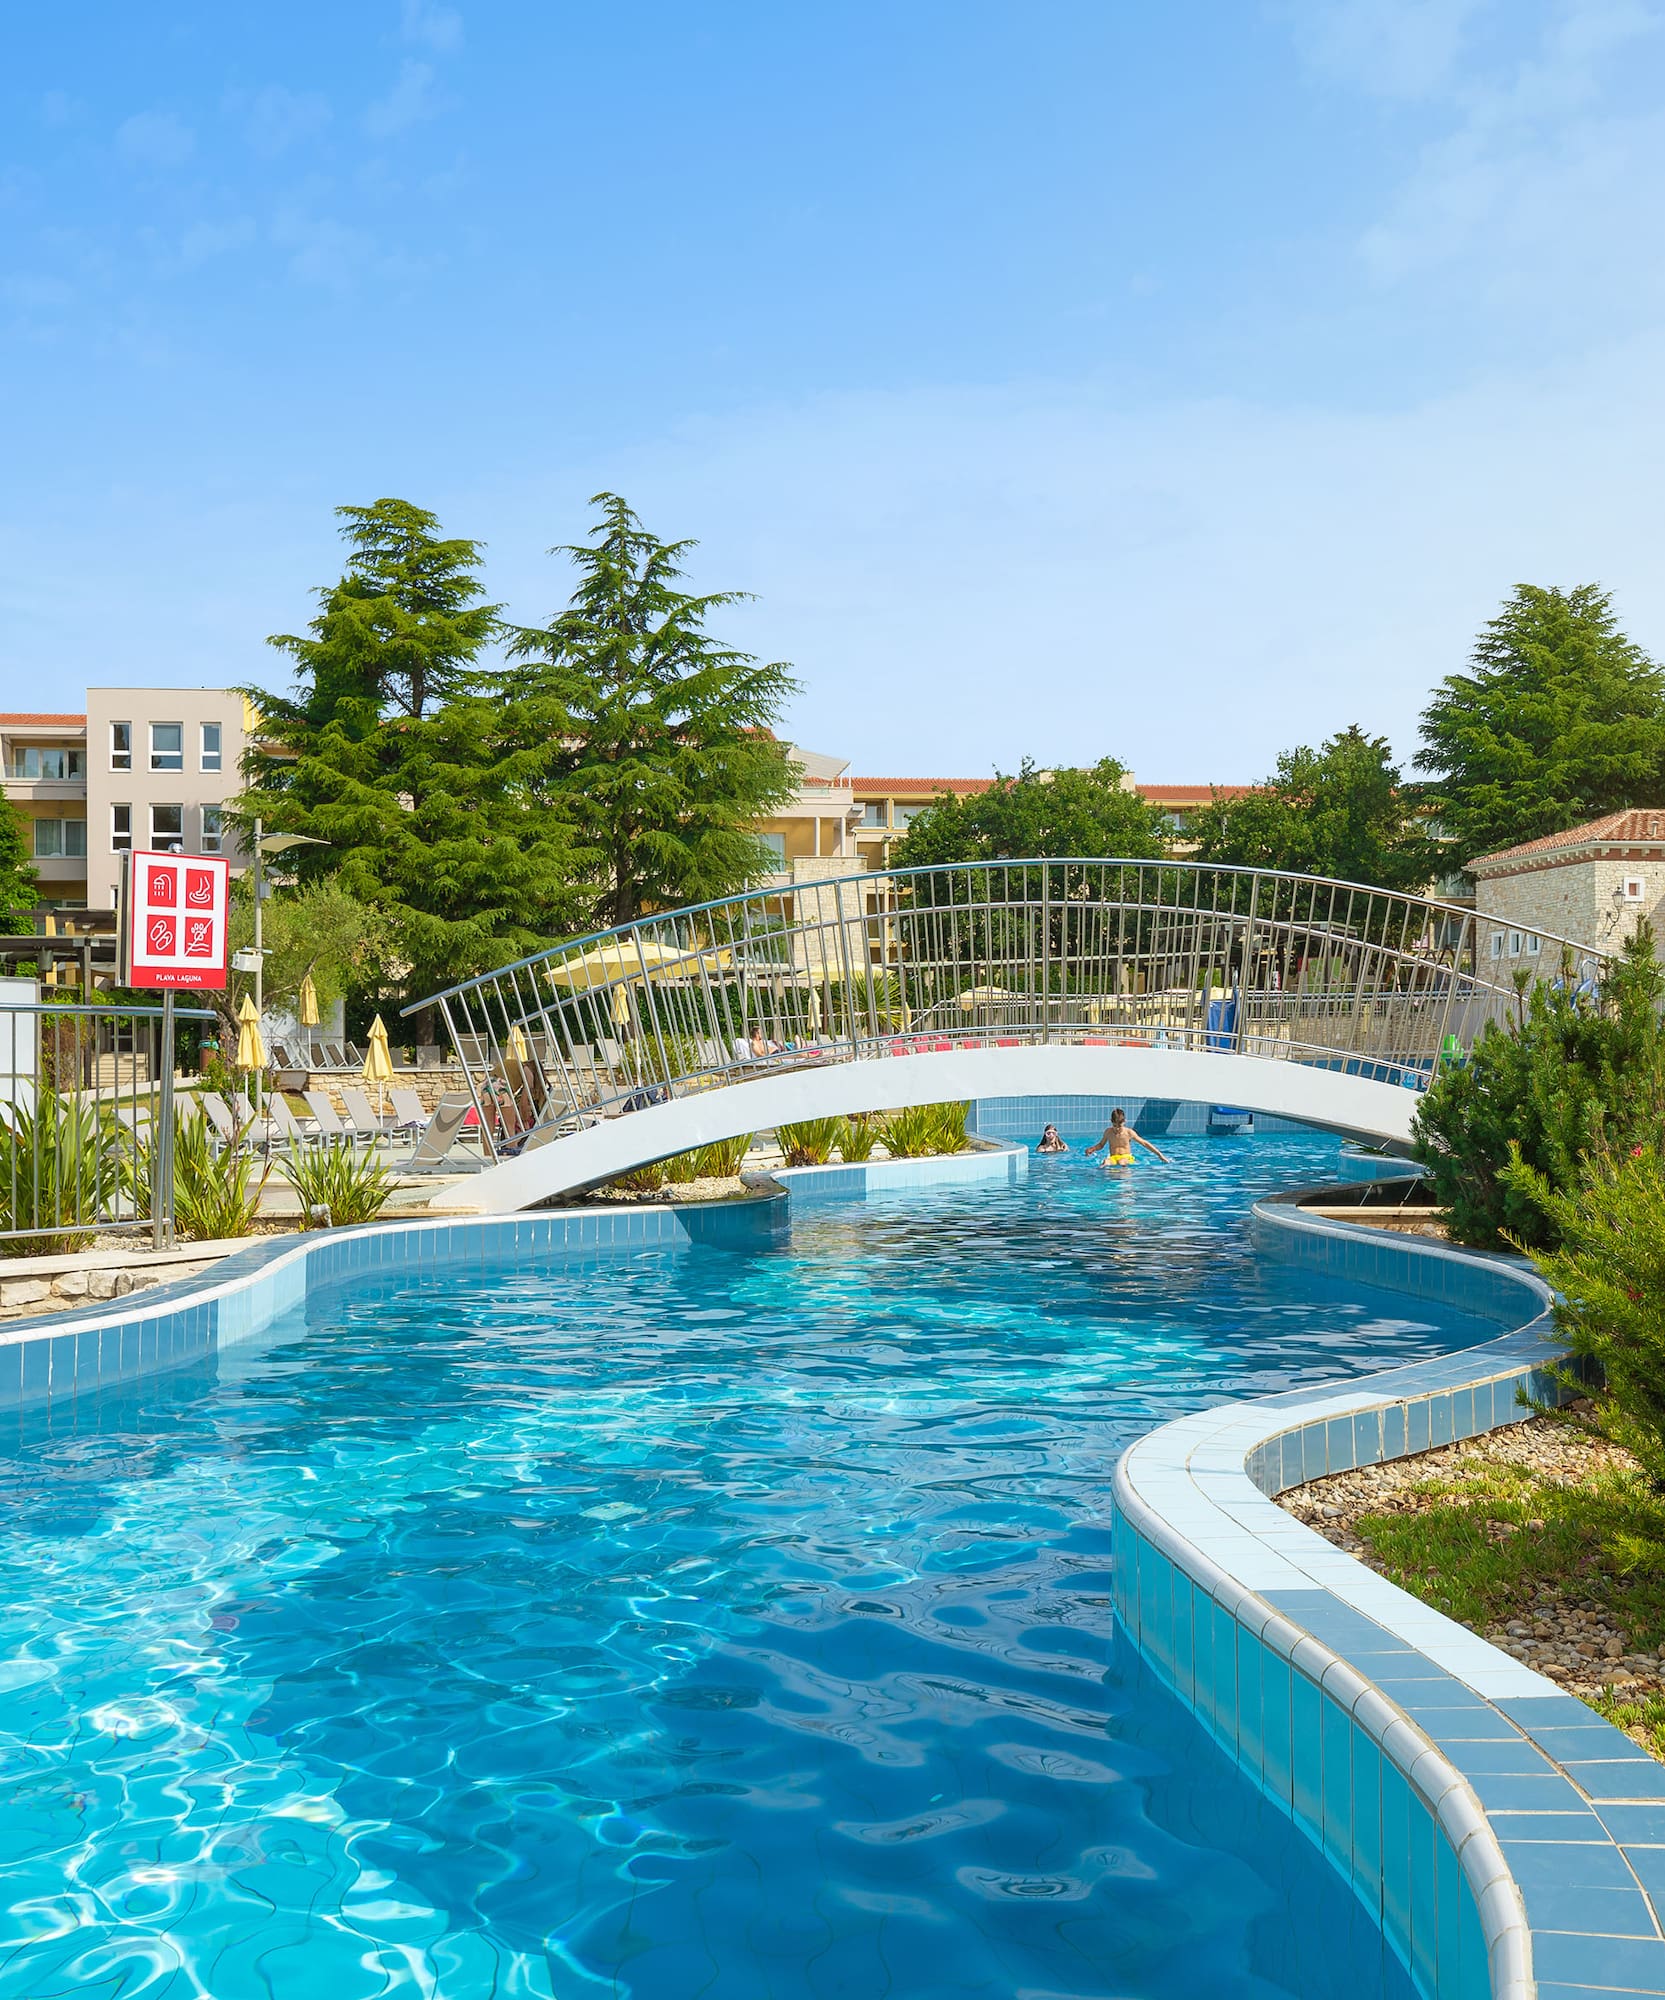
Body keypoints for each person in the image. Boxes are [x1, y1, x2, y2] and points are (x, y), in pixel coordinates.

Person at [1085, 1107, 1171, 1167]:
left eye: (1120, 1126)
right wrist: (1092, 1149)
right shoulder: (1108, 1132)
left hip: (1126, 1157)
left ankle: (1124, 1182)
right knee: (1105, 1162)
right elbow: (1101, 1145)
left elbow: (1144, 1143)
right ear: (1111, 1122)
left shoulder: (1129, 1132)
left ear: (1124, 1122)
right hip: (1113, 1157)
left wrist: (1160, 1155)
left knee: (1121, 1162)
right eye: (1115, 1126)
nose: (1117, 1128)